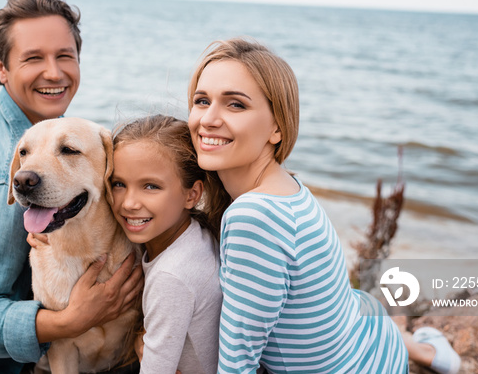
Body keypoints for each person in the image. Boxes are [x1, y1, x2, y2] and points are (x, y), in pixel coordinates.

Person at [186, 37, 460, 374]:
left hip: (359, 364)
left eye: (235, 105)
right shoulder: (287, 186)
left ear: (277, 127)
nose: (208, 119)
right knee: (359, 306)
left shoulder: (252, 216)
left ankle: (419, 347)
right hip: (370, 345)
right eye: (201, 101)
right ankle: (423, 350)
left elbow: (238, 360)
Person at [0, 0, 143, 374]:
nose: (54, 73)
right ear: (1, 68)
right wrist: (71, 321)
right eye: (34, 58)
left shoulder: (33, 130)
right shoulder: (7, 180)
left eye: (64, 56)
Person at [110, 114, 223, 374]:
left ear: (192, 194)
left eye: (150, 186)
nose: (129, 203)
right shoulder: (195, 233)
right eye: (119, 184)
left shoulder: (171, 276)